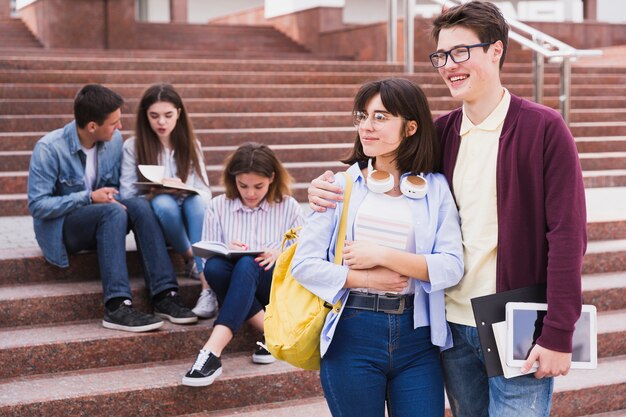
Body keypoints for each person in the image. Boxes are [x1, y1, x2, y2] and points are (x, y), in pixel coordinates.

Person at [307, 2, 588, 416]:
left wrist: (560, 332)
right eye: (441, 55)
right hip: (449, 326)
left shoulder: (544, 128)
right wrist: (321, 188)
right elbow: (378, 167)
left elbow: (567, 236)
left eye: (461, 52)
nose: (448, 65)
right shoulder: (441, 132)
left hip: (517, 320)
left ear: (496, 51)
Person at [290, 78, 463, 417]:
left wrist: (382, 257)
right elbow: (304, 265)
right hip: (353, 332)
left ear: (410, 126)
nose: (366, 127)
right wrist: (367, 280)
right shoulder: (338, 186)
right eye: (362, 116)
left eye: (380, 117)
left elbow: (452, 265)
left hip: (418, 337)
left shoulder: (436, 188)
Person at [27, 84, 198, 333]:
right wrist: (87, 197)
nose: (119, 128)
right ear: (92, 126)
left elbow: (119, 189)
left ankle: (165, 295)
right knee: (113, 211)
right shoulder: (49, 149)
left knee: (139, 205)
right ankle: (117, 306)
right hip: (64, 229)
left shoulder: (113, 141)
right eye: (114, 123)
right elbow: (38, 205)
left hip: (105, 217)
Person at [182, 142, 304, 387]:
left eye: (258, 186)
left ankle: (211, 351)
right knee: (217, 267)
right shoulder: (218, 206)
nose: (250, 193)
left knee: (248, 264)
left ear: (271, 178)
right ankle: (273, 333)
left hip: (273, 284)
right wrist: (230, 250)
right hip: (233, 278)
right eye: (243, 185)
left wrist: (281, 253)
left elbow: (305, 251)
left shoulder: (288, 206)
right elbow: (208, 256)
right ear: (233, 179)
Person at [120, 83, 217, 319]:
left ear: (179, 114)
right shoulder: (133, 146)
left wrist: (183, 188)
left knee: (196, 202)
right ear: (145, 116)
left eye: (167, 115)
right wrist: (155, 192)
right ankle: (192, 257)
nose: (161, 122)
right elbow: (127, 192)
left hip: (190, 212)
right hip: (160, 218)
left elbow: (205, 191)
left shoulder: (191, 145)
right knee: (164, 203)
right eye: (154, 116)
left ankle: (207, 287)